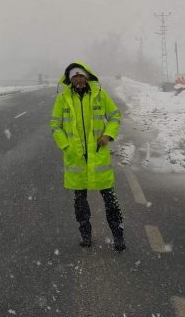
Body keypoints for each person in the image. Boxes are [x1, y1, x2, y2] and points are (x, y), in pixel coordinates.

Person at [50, 62, 125, 251]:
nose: (78, 79)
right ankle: (86, 235)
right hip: (76, 159)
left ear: (87, 77)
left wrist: (108, 135)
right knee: (80, 202)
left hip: (99, 159)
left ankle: (118, 236)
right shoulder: (62, 99)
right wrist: (66, 146)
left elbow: (115, 116)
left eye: (81, 76)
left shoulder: (100, 95)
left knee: (110, 200)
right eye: (74, 76)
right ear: (70, 79)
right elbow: (55, 125)